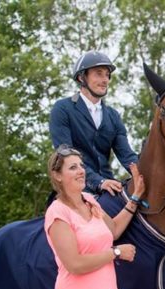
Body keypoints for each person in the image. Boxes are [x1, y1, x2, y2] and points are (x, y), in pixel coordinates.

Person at [44, 145, 144, 289]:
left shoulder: (90, 200)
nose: (81, 170)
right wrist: (115, 253)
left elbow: (113, 229)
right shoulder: (57, 213)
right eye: (72, 167)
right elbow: (75, 264)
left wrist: (135, 198)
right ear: (57, 175)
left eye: (81, 165)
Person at [50, 51, 138, 195]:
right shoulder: (62, 109)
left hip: (109, 188)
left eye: (107, 75)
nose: (105, 80)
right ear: (81, 77)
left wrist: (148, 175)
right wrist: (99, 182)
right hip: (77, 190)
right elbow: (65, 155)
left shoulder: (113, 116)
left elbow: (127, 156)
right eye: (98, 73)